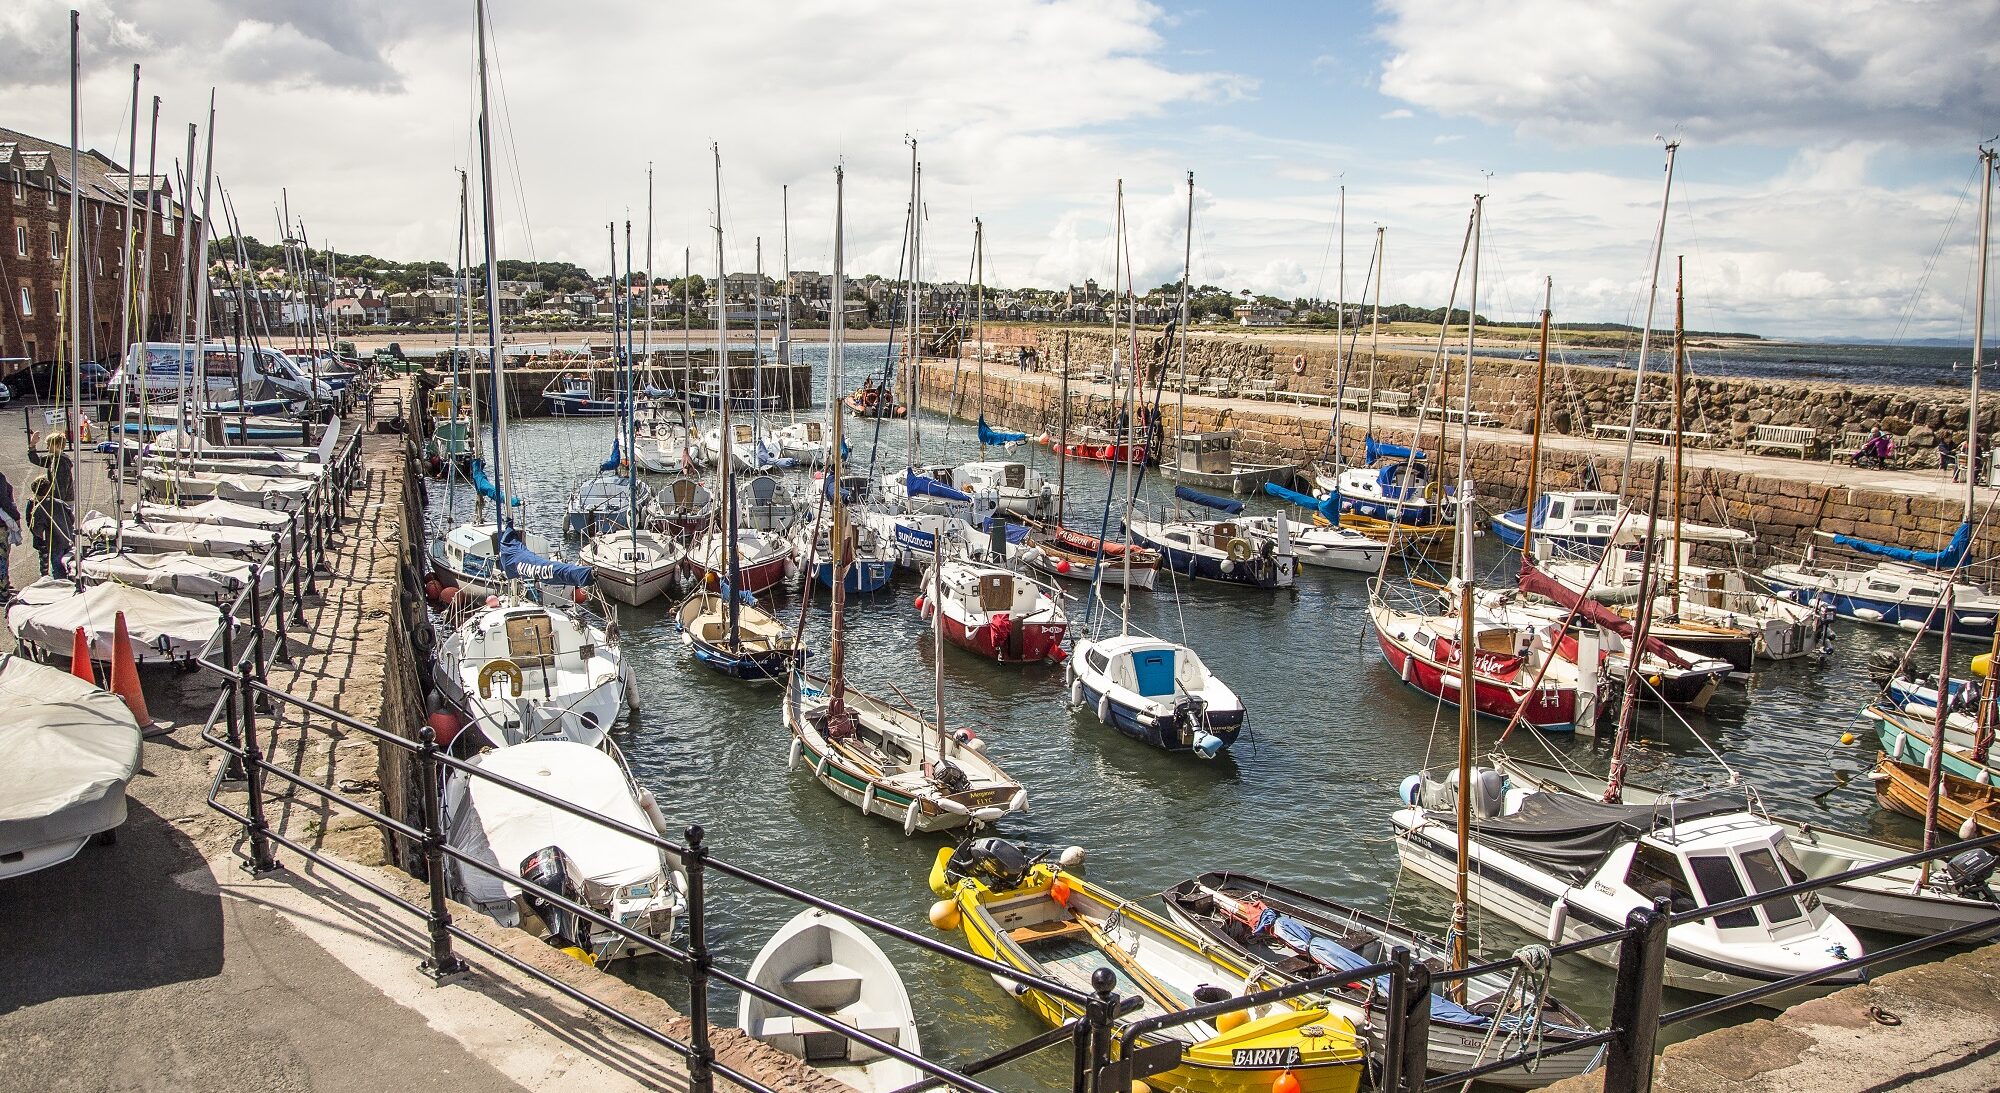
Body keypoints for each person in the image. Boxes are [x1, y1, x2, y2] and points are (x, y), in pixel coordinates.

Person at [25, 475, 73, 580]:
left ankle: (55, 584)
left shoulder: (38, 507)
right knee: (68, 564)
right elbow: (71, 518)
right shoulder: (60, 503)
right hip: (66, 538)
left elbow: (36, 529)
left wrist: (38, 534)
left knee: (56, 567)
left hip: (52, 542)